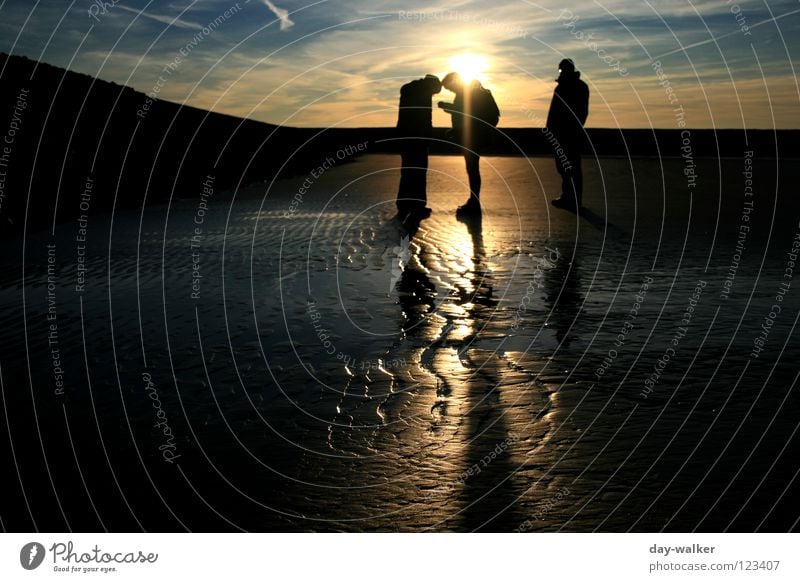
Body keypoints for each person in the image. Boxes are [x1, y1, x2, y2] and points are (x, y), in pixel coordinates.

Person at [438, 72, 500, 215]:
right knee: (472, 169)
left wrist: (445, 106)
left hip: (473, 136)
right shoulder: (468, 92)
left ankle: (474, 202)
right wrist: (454, 131)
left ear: (454, 82)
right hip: (475, 135)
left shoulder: (466, 93)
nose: (449, 90)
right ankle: (474, 200)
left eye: (449, 87)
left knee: (472, 169)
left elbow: (465, 113)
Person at [396, 74, 442, 217]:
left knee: (407, 170)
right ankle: (417, 205)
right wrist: (428, 136)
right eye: (435, 91)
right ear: (432, 85)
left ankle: (403, 204)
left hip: (405, 136)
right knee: (419, 171)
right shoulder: (422, 92)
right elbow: (425, 118)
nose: (433, 94)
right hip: (418, 137)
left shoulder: (409, 88)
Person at [546, 58, 589, 212]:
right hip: (559, 133)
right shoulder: (561, 88)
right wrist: (549, 129)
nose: (561, 72)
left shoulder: (579, 87)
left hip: (571, 134)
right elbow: (553, 112)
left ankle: (575, 200)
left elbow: (582, 112)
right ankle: (567, 197)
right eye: (560, 70)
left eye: (563, 69)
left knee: (573, 167)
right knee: (563, 167)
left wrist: (573, 128)